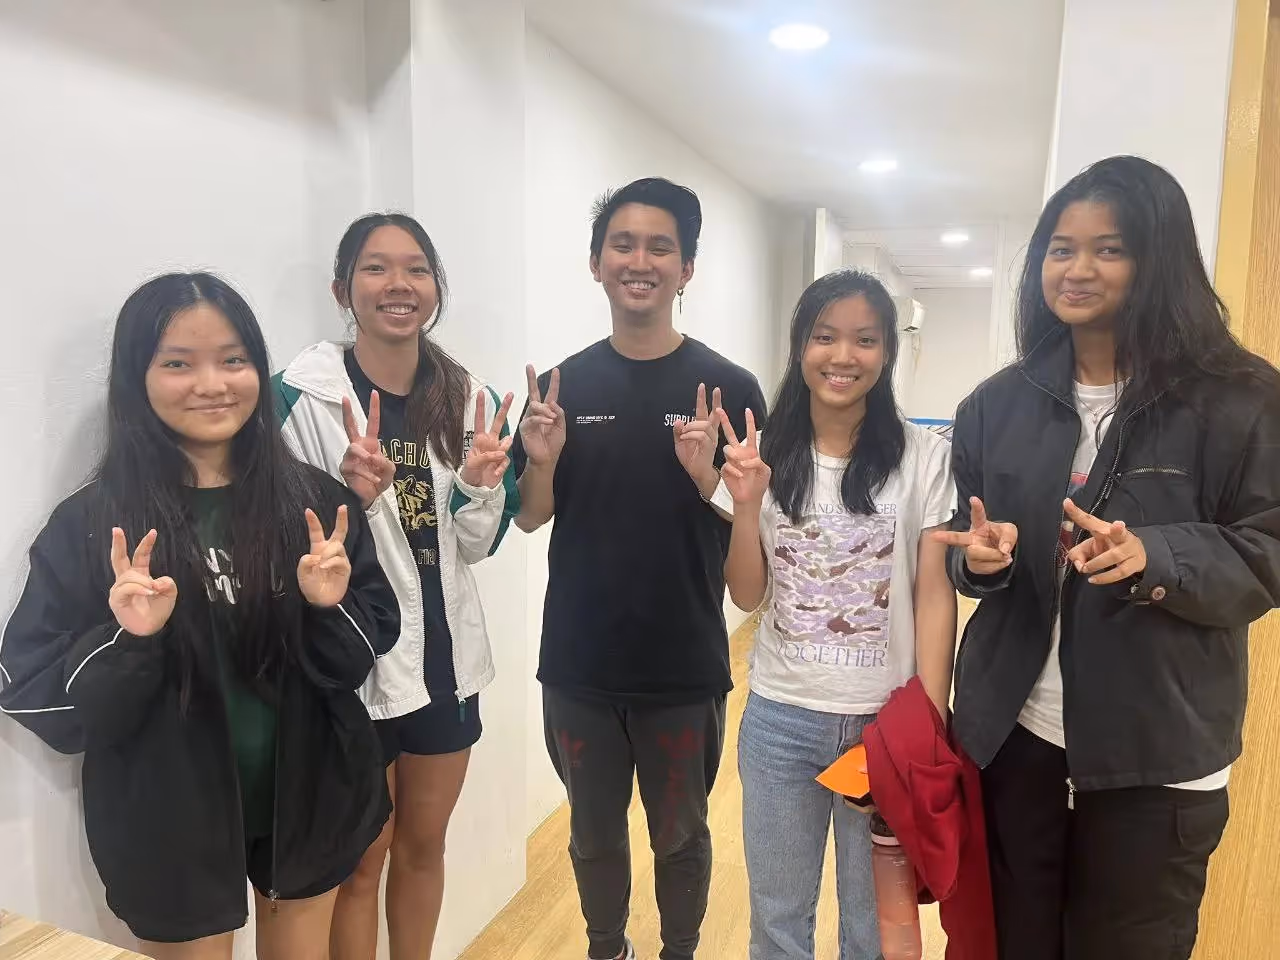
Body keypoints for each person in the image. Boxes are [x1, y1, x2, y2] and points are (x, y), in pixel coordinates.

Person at [934, 156, 1280, 960]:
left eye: (1109, 249)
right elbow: (966, 537)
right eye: (1061, 248)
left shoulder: (1240, 396)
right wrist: (979, 564)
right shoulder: (996, 403)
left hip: (1155, 757)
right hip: (1016, 736)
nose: (1077, 268)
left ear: (1159, 259)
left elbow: (1268, 549)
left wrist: (1157, 556)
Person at [0, 273, 398, 960]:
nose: (212, 384)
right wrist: (128, 639)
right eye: (178, 363)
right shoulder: (93, 524)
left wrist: (326, 607)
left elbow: (366, 645)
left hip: (309, 798)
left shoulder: (313, 501)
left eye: (233, 359)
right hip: (168, 823)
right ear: (137, 377)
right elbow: (32, 690)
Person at [514, 177, 767, 960]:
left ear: (686, 269)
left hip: (684, 663)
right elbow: (530, 515)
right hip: (579, 663)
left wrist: (709, 481)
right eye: (622, 244)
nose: (640, 261)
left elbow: (751, 543)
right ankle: (606, 949)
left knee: (681, 836)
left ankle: (679, 951)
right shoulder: (562, 387)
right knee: (592, 836)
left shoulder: (730, 391)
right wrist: (542, 460)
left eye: (661, 247)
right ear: (595, 262)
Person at [273, 213, 519, 960]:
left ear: (436, 286)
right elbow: (282, 543)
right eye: (375, 268)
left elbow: (474, 546)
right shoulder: (299, 397)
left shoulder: (471, 399)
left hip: (445, 660)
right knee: (360, 862)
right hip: (357, 660)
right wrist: (350, 497)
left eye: (416, 268)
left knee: (423, 847)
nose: (398, 284)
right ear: (341, 289)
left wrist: (480, 486)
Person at [713, 270, 956, 960]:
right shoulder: (763, 454)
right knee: (778, 921)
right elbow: (747, 596)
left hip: (884, 724)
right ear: (800, 347)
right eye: (825, 337)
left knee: (872, 929)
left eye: (865, 340)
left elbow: (934, 591)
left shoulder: (923, 455)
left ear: (887, 353)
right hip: (780, 721)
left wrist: (929, 718)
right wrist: (747, 507)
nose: (843, 356)